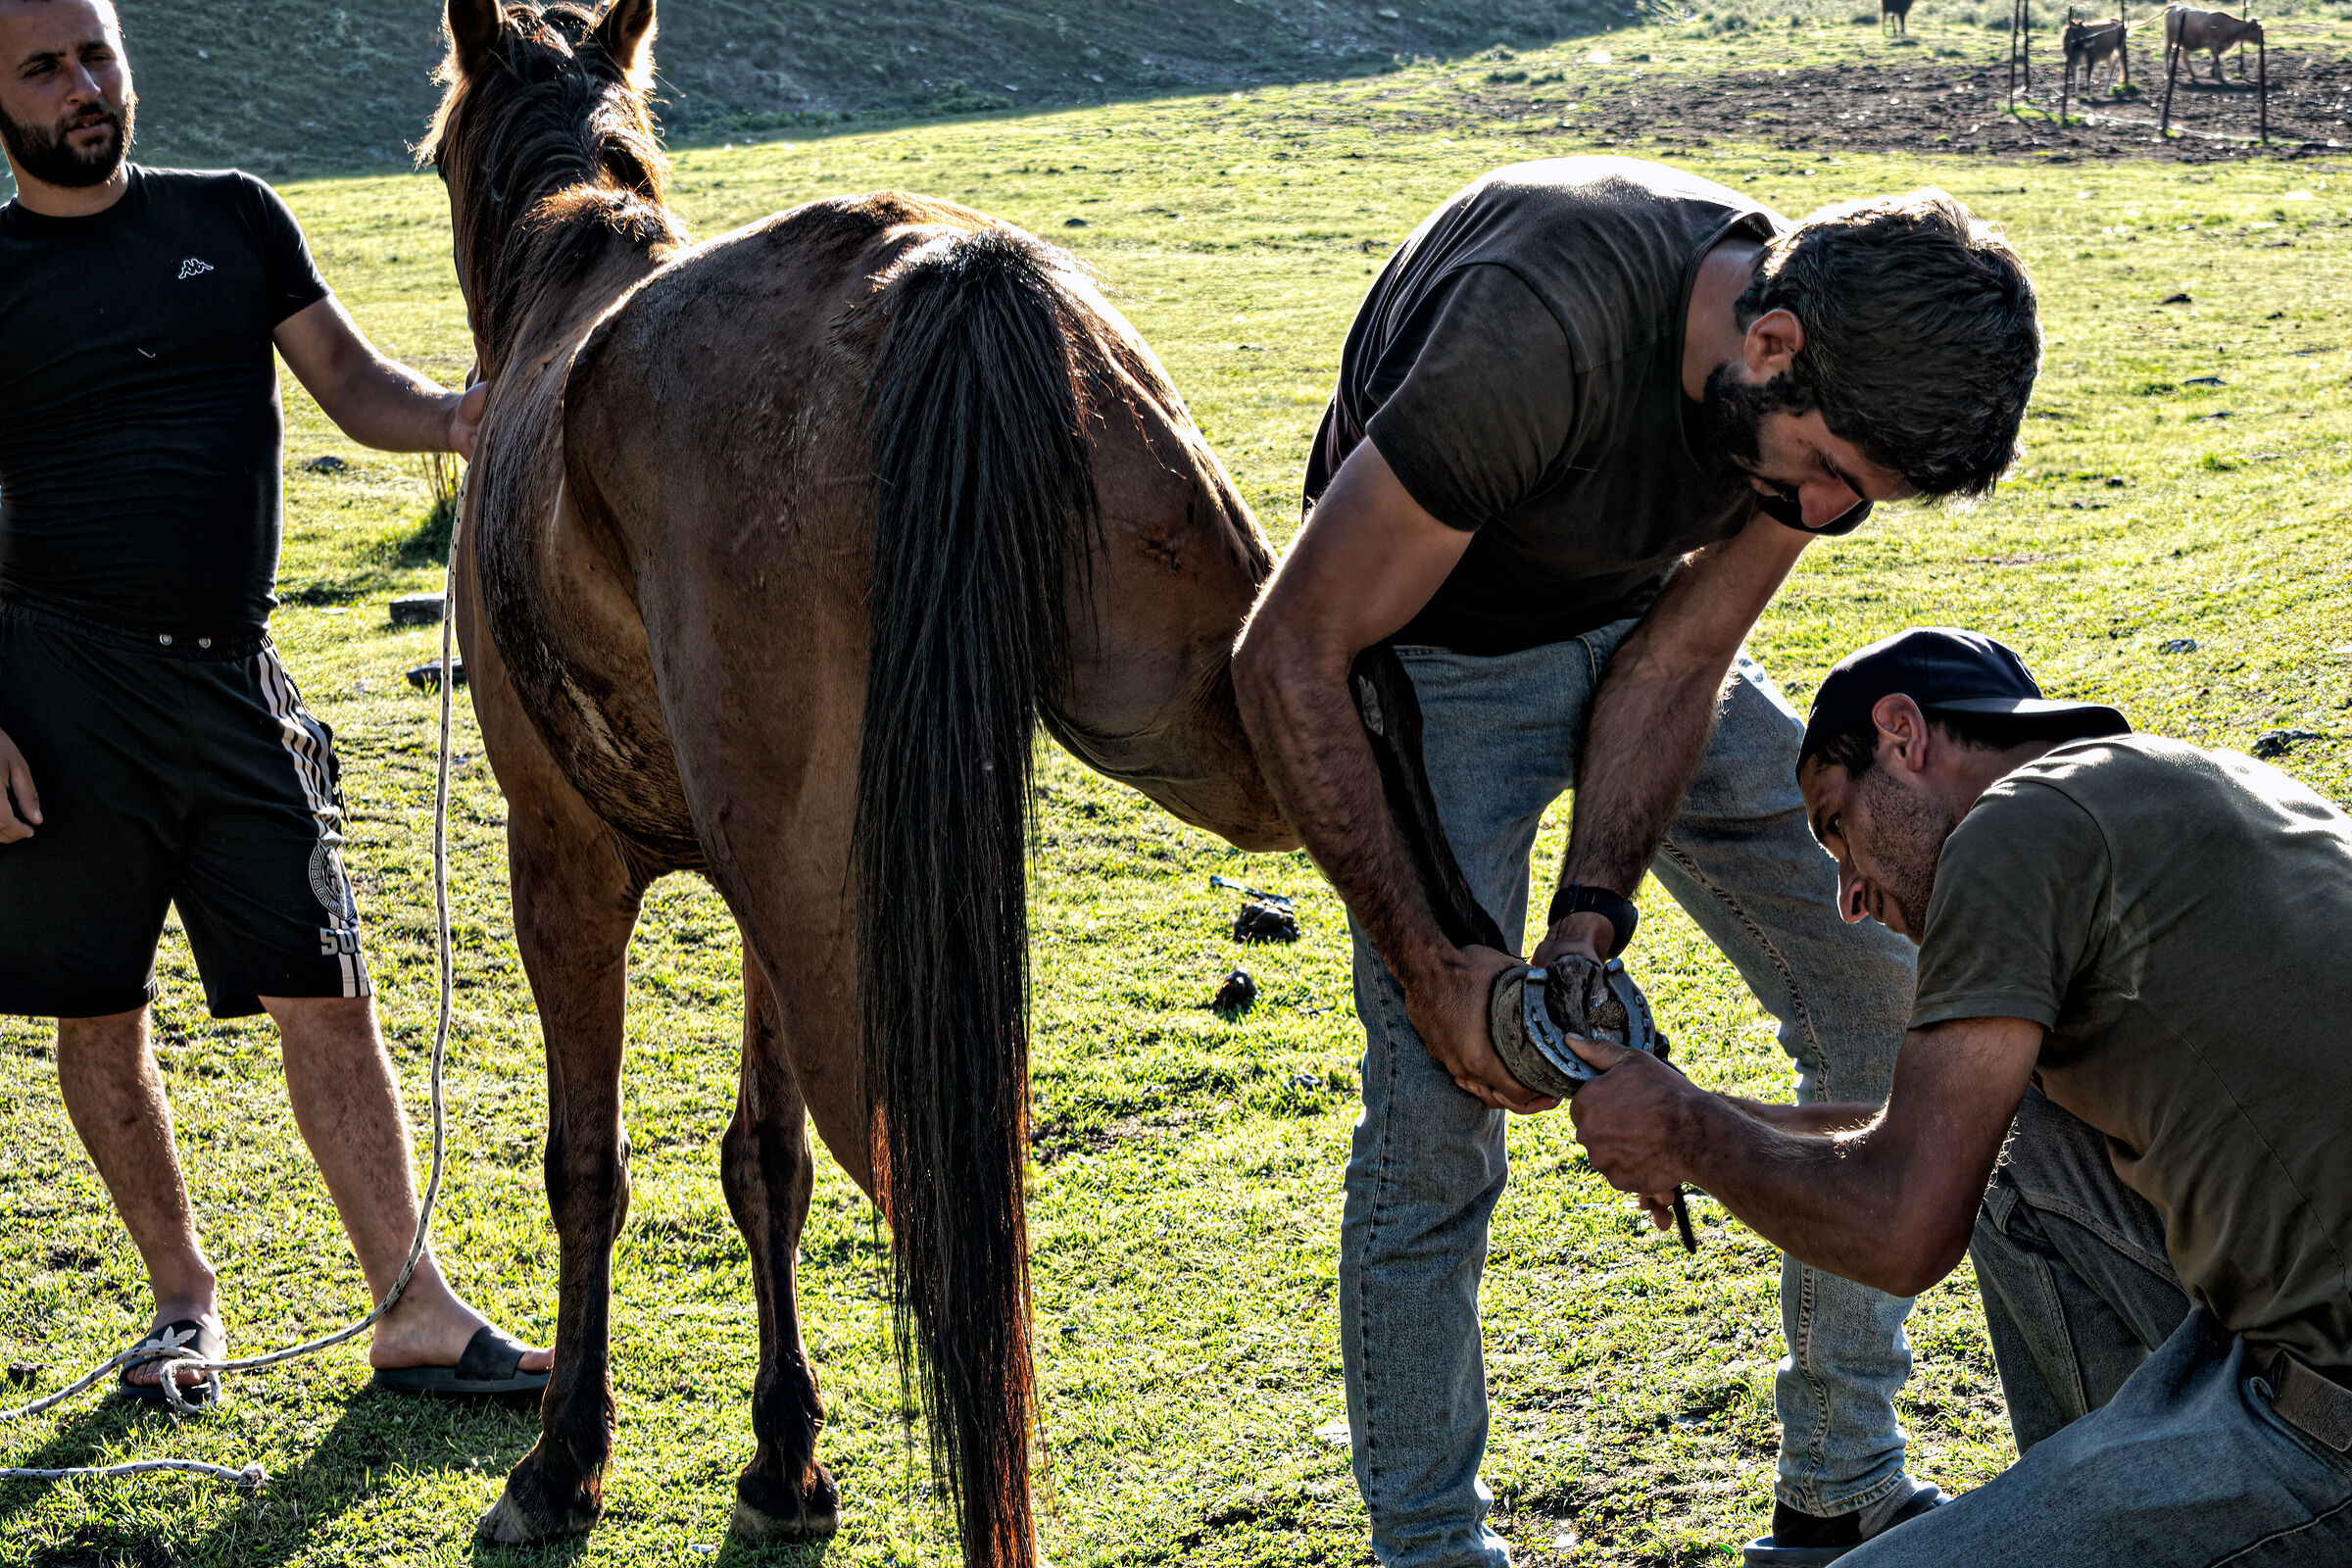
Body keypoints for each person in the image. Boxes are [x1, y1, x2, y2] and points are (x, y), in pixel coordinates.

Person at [1230, 154, 2041, 1565]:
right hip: (1430, 651)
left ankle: (1841, 1489)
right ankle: (1428, 1546)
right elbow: (1286, 650)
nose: (1832, 516)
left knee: (1881, 983)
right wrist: (1438, 969)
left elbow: (1679, 655)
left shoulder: (1795, 392)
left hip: (1640, 637)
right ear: (1769, 347)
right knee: (1440, 1098)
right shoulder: (1532, 328)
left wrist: (1588, 918)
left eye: (1865, 500)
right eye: (1834, 478)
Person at [0, 0, 549, 1404]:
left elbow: (353, 385)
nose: (85, 88)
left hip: (233, 679)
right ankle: (183, 1302)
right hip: (56, 697)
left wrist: (456, 417)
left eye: (99, 56)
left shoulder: (234, 218)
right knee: (100, 1014)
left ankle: (412, 1309)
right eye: (46, 68)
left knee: (330, 991)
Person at [1566, 626, 2352, 1566]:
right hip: (2293, 1339)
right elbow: (1940, 1136)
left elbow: (1907, 1227)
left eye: (1836, 828)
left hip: (2323, 1428)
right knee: (2023, 1146)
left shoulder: (2009, 831)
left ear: (1903, 735)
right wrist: (1694, 1115)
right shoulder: (2191, 781)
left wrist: (1691, 1135)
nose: (1850, 896)